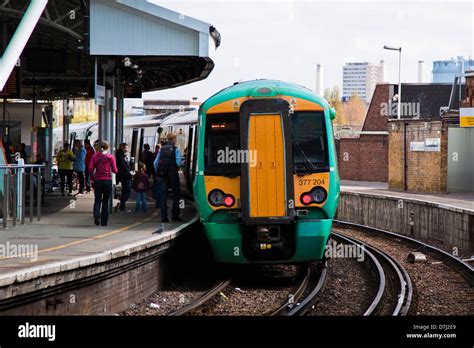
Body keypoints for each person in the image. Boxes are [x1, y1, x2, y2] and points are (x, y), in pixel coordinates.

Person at [154, 133, 183, 223]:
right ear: (173, 139)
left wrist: (157, 173)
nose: (176, 140)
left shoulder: (161, 149)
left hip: (163, 175)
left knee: (164, 195)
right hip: (173, 174)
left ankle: (164, 217)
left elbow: (155, 163)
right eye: (175, 139)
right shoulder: (176, 149)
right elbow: (178, 163)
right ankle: (175, 216)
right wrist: (183, 162)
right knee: (176, 194)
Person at [88, 141, 118, 226]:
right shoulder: (110, 157)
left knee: (97, 200)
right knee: (105, 201)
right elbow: (115, 170)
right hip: (107, 180)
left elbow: (90, 168)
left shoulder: (95, 156)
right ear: (107, 147)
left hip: (98, 180)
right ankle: (104, 222)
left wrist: (92, 177)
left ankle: (96, 216)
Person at [115, 143, 132, 212]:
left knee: (125, 191)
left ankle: (122, 206)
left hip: (125, 175)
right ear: (122, 148)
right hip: (125, 176)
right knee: (127, 191)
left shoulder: (122, 155)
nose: (127, 149)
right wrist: (129, 173)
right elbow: (123, 166)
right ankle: (122, 206)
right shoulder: (121, 156)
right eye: (126, 148)